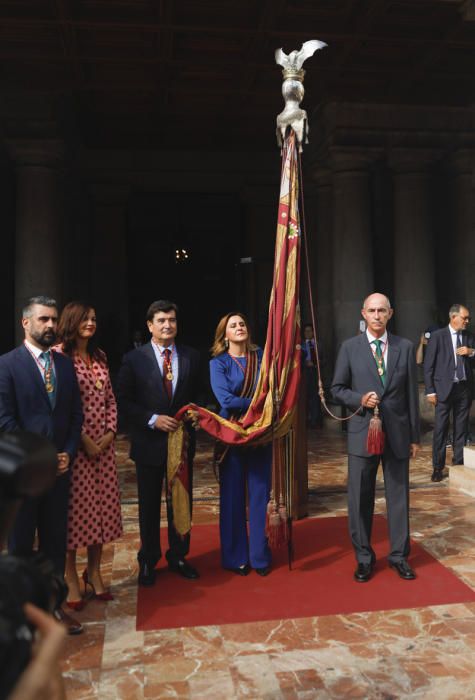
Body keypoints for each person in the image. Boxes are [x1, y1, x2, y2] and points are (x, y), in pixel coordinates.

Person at [0, 296, 84, 634]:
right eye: (43, 320)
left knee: (54, 542)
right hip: (23, 475)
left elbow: (75, 416)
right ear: (26, 323)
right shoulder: (6, 365)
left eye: (53, 320)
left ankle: (55, 608)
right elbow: (5, 421)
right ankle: (24, 616)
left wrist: (68, 452)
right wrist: (41, 458)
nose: (50, 325)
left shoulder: (64, 364)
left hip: (60, 472)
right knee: (21, 544)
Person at [331, 293, 420, 583]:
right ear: (363, 313)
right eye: (372, 310)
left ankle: (398, 556)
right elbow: (337, 389)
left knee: (398, 497)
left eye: (382, 310)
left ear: (390, 313)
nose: (377, 315)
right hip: (362, 433)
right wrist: (360, 398)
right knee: (360, 498)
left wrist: (414, 436)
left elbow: (410, 395)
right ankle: (364, 558)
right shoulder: (350, 348)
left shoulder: (404, 347)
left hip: (397, 434)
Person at [117, 300, 201, 586]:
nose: (168, 325)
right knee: (149, 505)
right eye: (162, 320)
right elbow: (124, 401)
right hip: (149, 443)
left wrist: (195, 414)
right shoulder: (134, 359)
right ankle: (149, 560)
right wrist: (152, 419)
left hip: (182, 443)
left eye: (173, 320)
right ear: (150, 325)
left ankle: (179, 555)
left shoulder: (191, 357)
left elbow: (199, 398)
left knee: (181, 502)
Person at [54, 302, 123, 608]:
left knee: (102, 513)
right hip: (76, 449)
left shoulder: (99, 356)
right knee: (74, 516)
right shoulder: (59, 356)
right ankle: (70, 578)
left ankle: (93, 572)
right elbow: (61, 405)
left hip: (103, 451)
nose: (91, 323)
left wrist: (109, 434)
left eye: (94, 318)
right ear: (72, 321)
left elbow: (110, 398)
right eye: (85, 319)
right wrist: (83, 440)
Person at [210, 312, 272, 577]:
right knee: (233, 496)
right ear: (224, 335)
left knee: (260, 495)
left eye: (242, 324)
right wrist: (260, 403)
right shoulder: (218, 363)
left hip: (260, 434)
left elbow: (274, 388)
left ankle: (259, 557)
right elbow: (225, 400)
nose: (239, 328)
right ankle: (236, 557)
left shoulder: (263, 359)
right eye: (233, 325)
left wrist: (265, 402)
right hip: (231, 435)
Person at [423, 303, 474, 482]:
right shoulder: (437, 336)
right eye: (464, 318)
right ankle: (438, 467)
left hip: (463, 389)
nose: (467, 321)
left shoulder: (468, 336)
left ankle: (458, 462)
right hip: (443, 390)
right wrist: (430, 391)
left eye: (468, 318)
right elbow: (428, 366)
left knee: (461, 428)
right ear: (453, 317)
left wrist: (471, 351)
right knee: (441, 429)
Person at [302, 323, 323, 428]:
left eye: (310, 331)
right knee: (306, 397)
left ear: (313, 332)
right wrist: (305, 363)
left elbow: (325, 360)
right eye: (306, 331)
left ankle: (315, 421)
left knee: (315, 397)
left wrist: (318, 363)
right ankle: (307, 420)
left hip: (315, 373)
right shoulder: (301, 345)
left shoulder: (318, 345)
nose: (308, 333)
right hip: (305, 374)